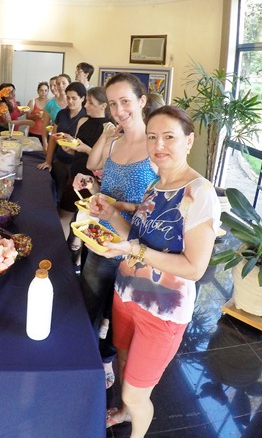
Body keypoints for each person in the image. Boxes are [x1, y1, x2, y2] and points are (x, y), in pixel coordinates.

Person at [89, 105, 220, 437]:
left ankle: (137, 427)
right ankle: (123, 413)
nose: (158, 145)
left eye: (169, 137)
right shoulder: (156, 186)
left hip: (162, 312)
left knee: (137, 392)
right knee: (122, 365)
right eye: (152, 137)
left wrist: (134, 250)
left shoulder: (200, 193)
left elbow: (194, 268)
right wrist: (108, 210)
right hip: (127, 296)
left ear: (189, 141)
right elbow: (133, 234)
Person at [73, 72, 158, 390]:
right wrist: (91, 186)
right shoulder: (114, 143)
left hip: (135, 249)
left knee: (119, 313)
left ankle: (106, 359)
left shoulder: (155, 148)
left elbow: (160, 210)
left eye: (126, 101)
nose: (119, 110)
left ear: (141, 101)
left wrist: (116, 207)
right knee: (89, 305)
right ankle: (82, 359)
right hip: (100, 241)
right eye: (113, 104)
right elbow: (106, 189)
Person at [57, 87, 113, 239]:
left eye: (90, 103)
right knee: (64, 215)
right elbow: (76, 149)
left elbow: (106, 161)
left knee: (86, 222)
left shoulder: (109, 128)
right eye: (86, 101)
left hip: (92, 180)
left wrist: (87, 149)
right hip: (75, 173)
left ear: (103, 105)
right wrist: (68, 148)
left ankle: (77, 252)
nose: (85, 105)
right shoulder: (82, 121)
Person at [37, 82, 87, 204]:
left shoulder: (86, 116)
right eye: (68, 97)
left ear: (82, 98)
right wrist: (48, 161)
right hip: (60, 160)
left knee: (72, 199)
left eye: (74, 98)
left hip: (77, 164)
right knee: (56, 195)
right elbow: (53, 138)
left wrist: (73, 141)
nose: (70, 101)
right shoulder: (62, 113)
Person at [41, 73, 70, 145]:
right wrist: (45, 144)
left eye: (64, 83)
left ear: (69, 84)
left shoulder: (74, 103)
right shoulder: (50, 103)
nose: (60, 86)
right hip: (54, 140)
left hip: (71, 141)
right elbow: (45, 126)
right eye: (58, 84)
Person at [26, 81, 50, 147]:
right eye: (41, 90)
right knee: (32, 153)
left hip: (46, 133)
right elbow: (27, 116)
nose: (43, 93)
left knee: (44, 154)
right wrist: (35, 116)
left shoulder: (50, 102)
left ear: (48, 91)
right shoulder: (32, 102)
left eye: (46, 90)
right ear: (37, 91)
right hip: (33, 132)